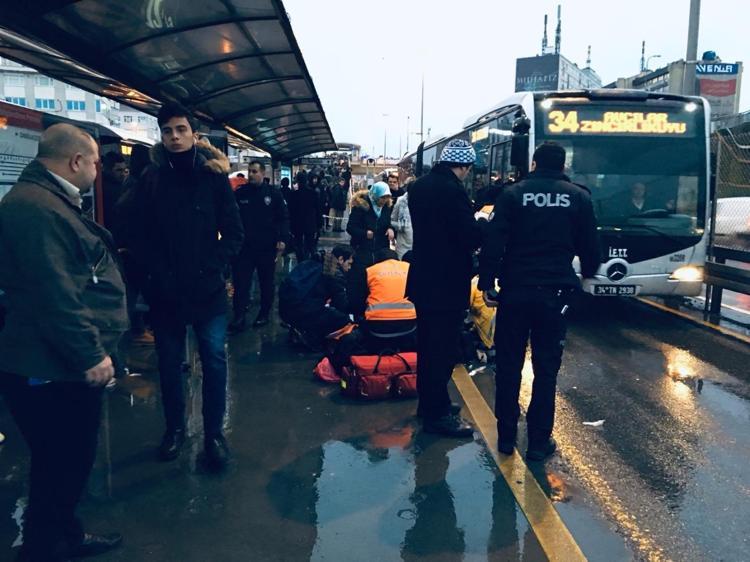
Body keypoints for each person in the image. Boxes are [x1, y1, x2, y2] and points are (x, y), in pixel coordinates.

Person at [0, 123, 128, 561]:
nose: (98, 170)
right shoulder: (36, 209)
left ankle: (62, 537)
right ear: (76, 161)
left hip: (54, 360)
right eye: (95, 162)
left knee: (63, 463)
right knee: (62, 462)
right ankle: (44, 549)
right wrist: (91, 353)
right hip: (52, 365)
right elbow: (54, 293)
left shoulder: (43, 201)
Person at [130, 103, 244, 469]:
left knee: (214, 360)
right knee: (169, 363)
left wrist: (213, 267)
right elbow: (139, 234)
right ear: (161, 135)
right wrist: (154, 275)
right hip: (165, 292)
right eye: (167, 131)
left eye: (180, 130)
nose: (175, 137)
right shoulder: (151, 178)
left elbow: (234, 233)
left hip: (206, 289)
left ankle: (213, 434)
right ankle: (175, 430)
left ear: (194, 134)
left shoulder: (212, 177)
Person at [479, 141, 600, 460]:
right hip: (555, 294)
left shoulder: (512, 194)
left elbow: (494, 241)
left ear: (533, 164)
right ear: (563, 166)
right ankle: (538, 442)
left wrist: (487, 282)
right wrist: (587, 277)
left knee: (508, 366)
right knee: (546, 370)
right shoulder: (578, 197)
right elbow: (590, 245)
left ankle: (506, 437)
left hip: (516, 291)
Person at [407, 138, 482, 437]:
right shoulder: (453, 190)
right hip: (446, 282)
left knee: (428, 346)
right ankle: (437, 416)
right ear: (464, 166)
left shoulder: (419, 187)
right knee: (442, 350)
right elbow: (469, 235)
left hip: (423, 279)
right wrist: (484, 227)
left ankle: (428, 404)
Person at [229, 160, 289, 332]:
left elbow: (283, 218)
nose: (251, 174)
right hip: (245, 248)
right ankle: (239, 316)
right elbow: (232, 217)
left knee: (266, 282)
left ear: (263, 173)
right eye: (249, 171)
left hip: (266, 246)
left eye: (254, 171)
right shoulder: (240, 193)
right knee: (241, 283)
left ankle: (264, 313)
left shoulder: (273, 194)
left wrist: (282, 239)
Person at [280, 245, 354, 347]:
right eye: (349, 264)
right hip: (303, 312)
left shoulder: (314, 262)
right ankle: (309, 335)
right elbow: (342, 305)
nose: (349, 268)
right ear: (341, 259)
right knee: (344, 320)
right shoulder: (334, 273)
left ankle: (300, 327)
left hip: (285, 309)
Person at [349, 248, 416, 352]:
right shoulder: (409, 268)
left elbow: (357, 302)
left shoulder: (370, 270)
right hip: (409, 324)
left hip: (376, 326)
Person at [346, 181, 395, 268]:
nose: (384, 200)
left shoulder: (386, 207)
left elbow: (387, 223)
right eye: (382, 197)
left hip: (380, 251)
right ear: (375, 195)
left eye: (387, 197)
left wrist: (390, 228)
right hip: (362, 250)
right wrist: (365, 233)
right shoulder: (360, 206)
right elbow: (350, 227)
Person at [289, 171, 322, 261]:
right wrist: (319, 224)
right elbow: (318, 210)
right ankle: (309, 261)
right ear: (307, 180)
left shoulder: (293, 194)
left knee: (298, 244)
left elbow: (290, 211)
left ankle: (301, 261)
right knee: (310, 244)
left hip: (297, 223)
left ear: (297, 181)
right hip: (310, 223)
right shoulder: (313, 193)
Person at [101, 151, 128, 231]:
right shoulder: (110, 189)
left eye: (125, 170)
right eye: (119, 170)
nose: (123, 174)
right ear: (108, 170)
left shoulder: (119, 186)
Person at [390, 177, 414, 259]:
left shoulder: (423, 202)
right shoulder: (400, 201)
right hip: (403, 245)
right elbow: (392, 220)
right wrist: (400, 226)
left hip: (418, 243)